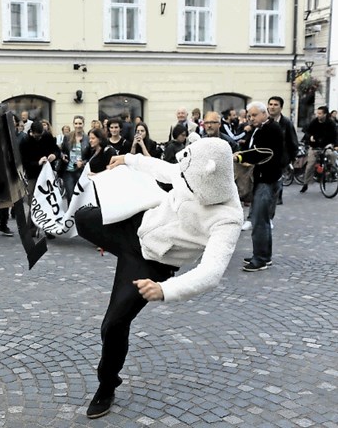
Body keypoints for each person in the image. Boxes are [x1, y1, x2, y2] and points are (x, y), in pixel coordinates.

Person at [75, 137, 242, 419]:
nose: (182, 177)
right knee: (82, 218)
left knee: (114, 324)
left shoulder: (228, 218)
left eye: (187, 177)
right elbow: (166, 170)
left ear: (204, 178)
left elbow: (211, 272)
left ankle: (107, 384)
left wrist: (164, 290)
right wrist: (129, 160)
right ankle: (111, 243)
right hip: (137, 225)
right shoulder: (192, 169)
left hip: (152, 263)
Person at [235, 101, 284, 271]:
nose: (251, 118)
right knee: (261, 219)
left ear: (264, 114)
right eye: (249, 115)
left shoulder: (271, 129)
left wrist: (240, 157)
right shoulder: (262, 128)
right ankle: (264, 255)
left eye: (254, 115)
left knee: (259, 220)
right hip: (265, 178)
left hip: (267, 180)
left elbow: (263, 152)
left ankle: (261, 258)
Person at [19, 121, 60, 236]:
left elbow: (56, 150)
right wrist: (37, 162)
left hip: (47, 174)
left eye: (41, 135)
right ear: (31, 132)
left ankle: (49, 228)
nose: (39, 137)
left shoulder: (47, 136)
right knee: (34, 201)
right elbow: (24, 162)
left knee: (49, 200)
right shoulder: (25, 141)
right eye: (37, 135)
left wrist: (54, 155)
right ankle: (31, 229)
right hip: (33, 174)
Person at [300, 106, 337, 193]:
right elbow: (307, 131)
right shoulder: (314, 122)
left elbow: (335, 136)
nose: (318, 115)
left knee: (332, 154)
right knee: (310, 166)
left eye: (320, 113)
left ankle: (332, 170)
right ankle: (305, 184)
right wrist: (310, 137)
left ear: (325, 114)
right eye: (318, 113)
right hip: (315, 147)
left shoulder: (331, 124)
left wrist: (332, 144)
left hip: (326, 146)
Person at [59, 116, 90, 203]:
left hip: (82, 171)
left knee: (81, 195)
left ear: (83, 124)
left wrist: (83, 162)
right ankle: (71, 215)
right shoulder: (67, 137)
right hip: (68, 170)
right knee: (70, 195)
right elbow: (61, 151)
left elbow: (91, 156)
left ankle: (81, 215)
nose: (78, 126)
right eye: (76, 123)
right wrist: (63, 156)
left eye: (80, 123)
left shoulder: (87, 139)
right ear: (73, 124)